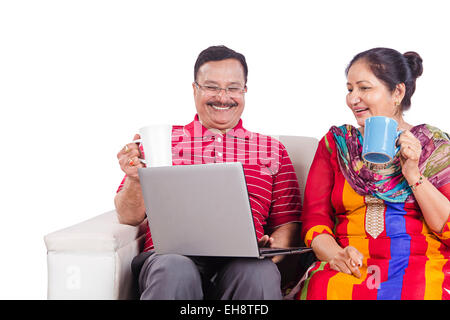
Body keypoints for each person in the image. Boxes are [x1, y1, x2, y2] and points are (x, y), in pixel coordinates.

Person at [114, 45, 302, 300]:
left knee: (259, 273)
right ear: (195, 89)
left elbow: (287, 223)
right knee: (175, 269)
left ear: (245, 91)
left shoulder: (273, 149)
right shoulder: (161, 142)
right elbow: (128, 216)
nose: (223, 97)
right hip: (170, 259)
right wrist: (136, 180)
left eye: (233, 88)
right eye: (212, 87)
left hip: (243, 261)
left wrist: (272, 249)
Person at [288, 47, 450, 300]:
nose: (353, 99)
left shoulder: (432, 146)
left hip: (419, 263)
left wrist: (412, 173)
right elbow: (315, 220)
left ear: (397, 92)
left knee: (420, 292)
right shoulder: (336, 144)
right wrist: (336, 255)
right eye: (350, 89)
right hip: (350, 261)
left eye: (364, 88)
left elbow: (446, 225)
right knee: (324, 290)